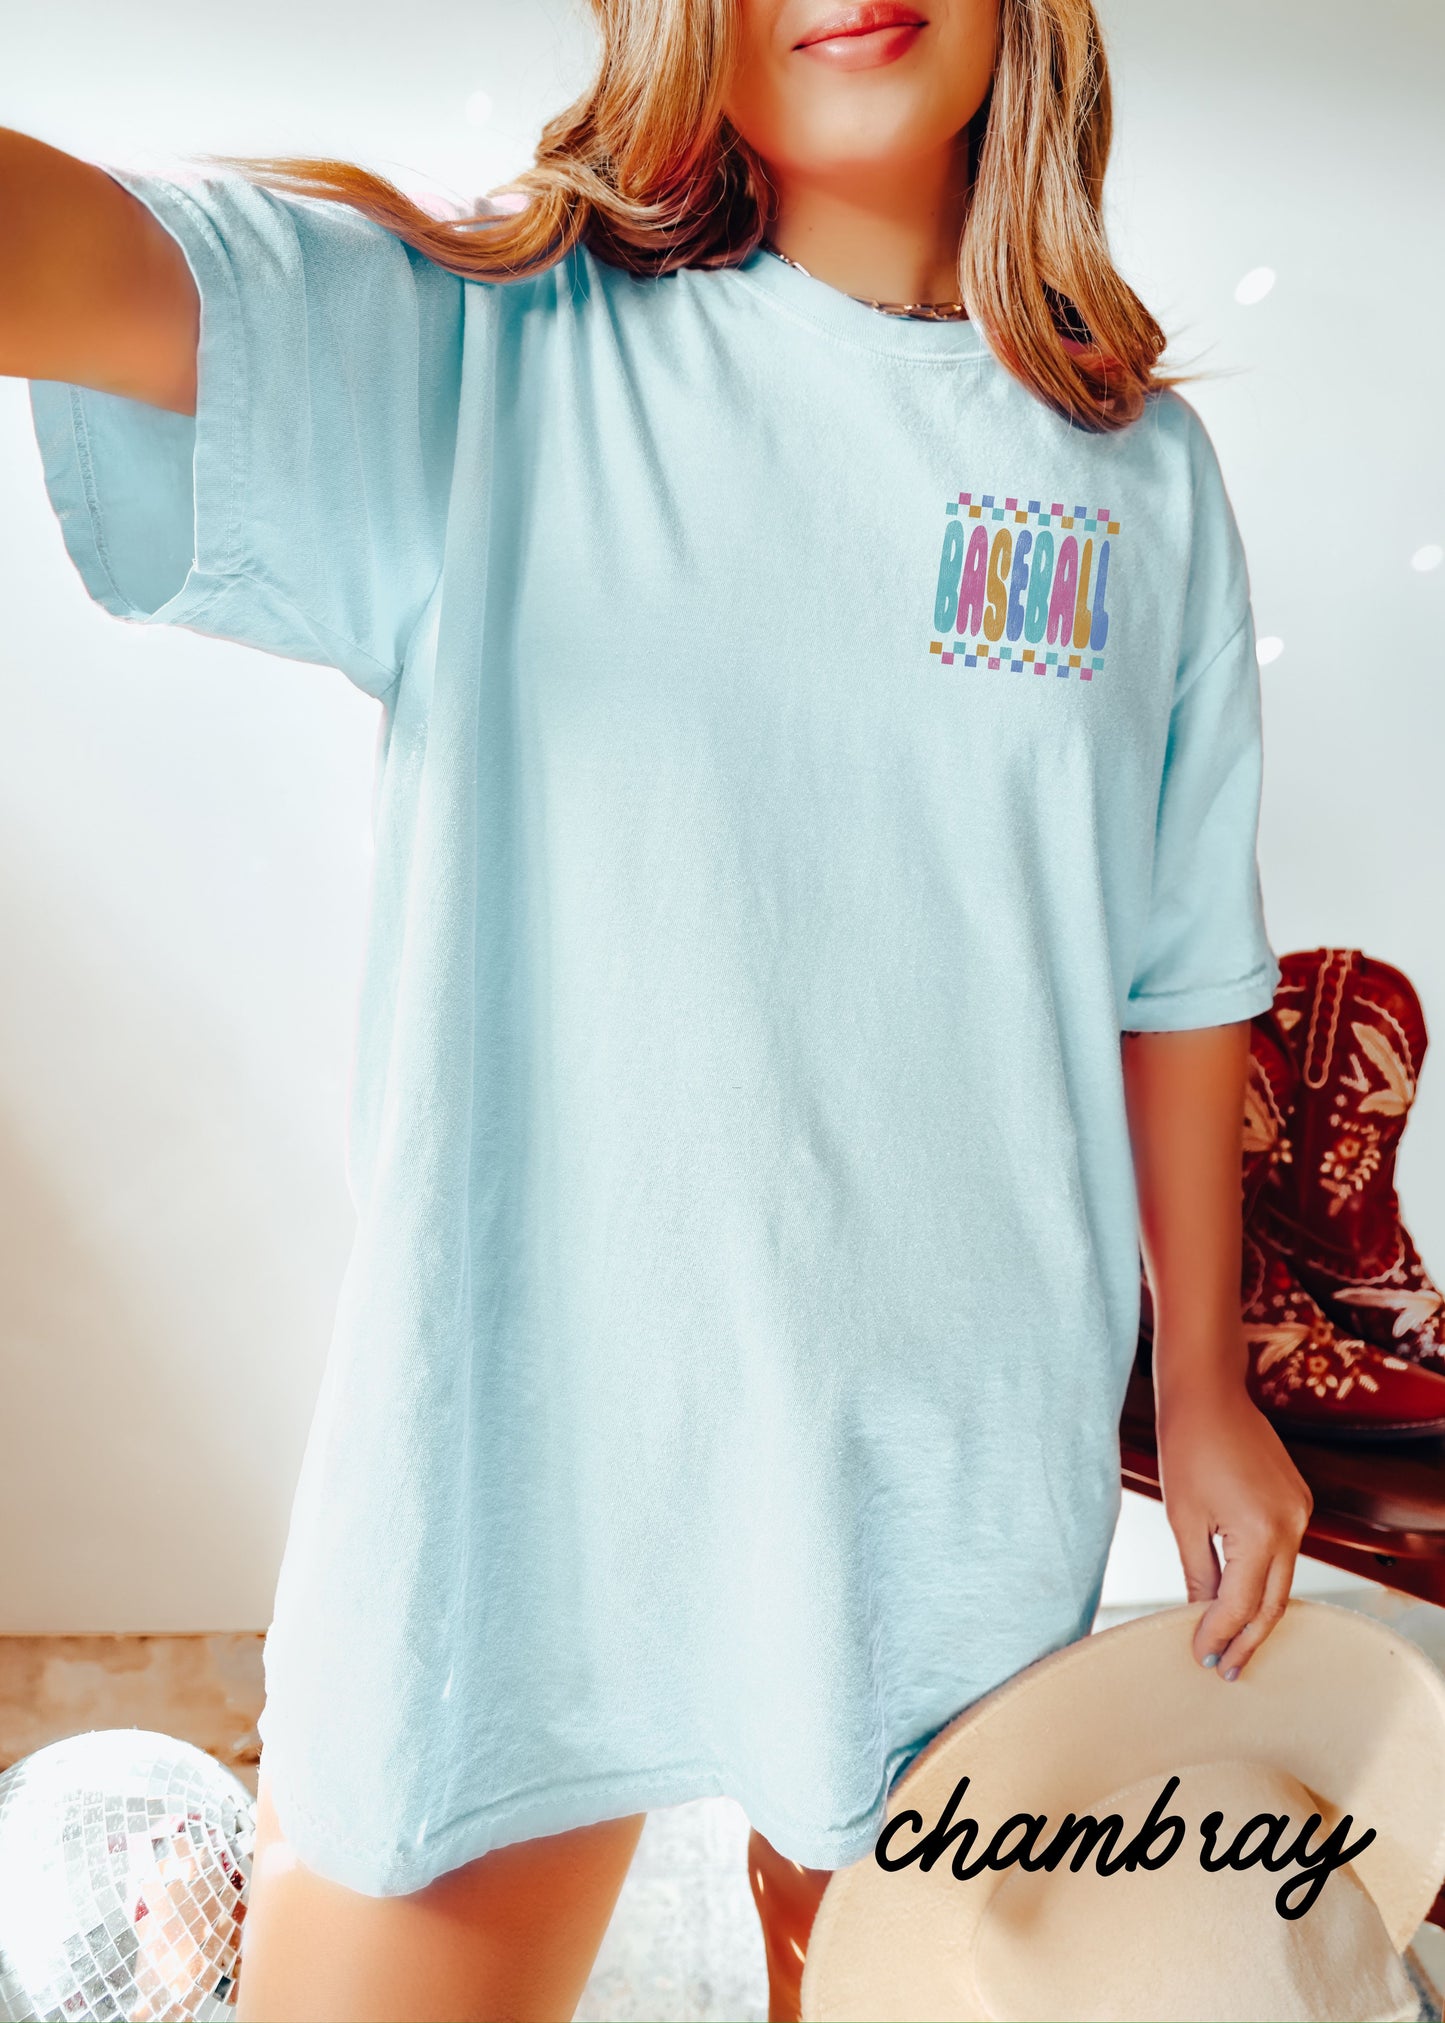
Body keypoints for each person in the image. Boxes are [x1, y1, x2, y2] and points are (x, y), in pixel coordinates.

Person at [2, 0, 1315, 2016]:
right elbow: (69, 257)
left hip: (945, 1474)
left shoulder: (1140, 481)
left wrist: (1206, 1393)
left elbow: (1180, 963)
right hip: (523, 1480)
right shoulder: (482, 359)